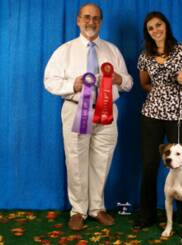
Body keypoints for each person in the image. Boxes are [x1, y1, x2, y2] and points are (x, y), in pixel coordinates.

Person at [44, 3, 133, 231]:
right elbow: (49, 81)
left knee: (102, 161)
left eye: (95, 18)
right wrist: (71, 84)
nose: (91, 22)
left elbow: (129, 83)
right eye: (86, 17)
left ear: (101, 22)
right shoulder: (64, 50)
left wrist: (119, 80)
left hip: (107, 113)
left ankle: (96, 208)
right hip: (76, 110)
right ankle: (78, 210)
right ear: (78, 20)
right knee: (75, 161)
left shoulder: (112, 50)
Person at [134, 11, 182, 229]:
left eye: (158, 25)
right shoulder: (144, 56)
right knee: (149, 164)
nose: (156, 30)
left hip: (180, 114)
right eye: (151, 28)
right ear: (147, 33)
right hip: (152, 115)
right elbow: (144, 83)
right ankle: (147, 216)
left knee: (181, 163)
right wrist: (159, 93)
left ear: (166, 25)